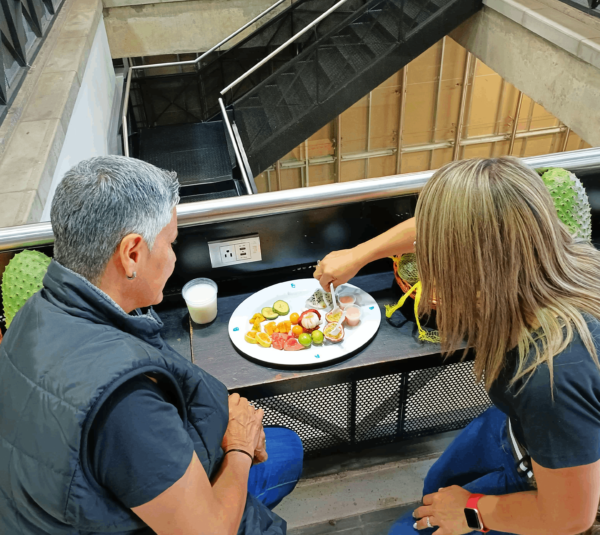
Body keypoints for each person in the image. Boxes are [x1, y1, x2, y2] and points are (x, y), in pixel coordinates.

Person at [0, 156, 303, 535]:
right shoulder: (124, 403)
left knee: (284, 447)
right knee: (285, 451)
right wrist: (240, 447)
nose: (174, 257)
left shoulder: (34, 312)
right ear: (131, 254)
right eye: (171, 242)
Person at [315, 156, 600, 535]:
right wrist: (359, 255)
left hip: (561, 483)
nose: (426, 263)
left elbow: (569, 517)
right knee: (439, 483)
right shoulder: (553, 252)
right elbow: (453, 225)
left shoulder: (550, 378)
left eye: (435, 260)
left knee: (410, 528)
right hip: (524, 427)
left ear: (477, 273)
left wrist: (471, 512)